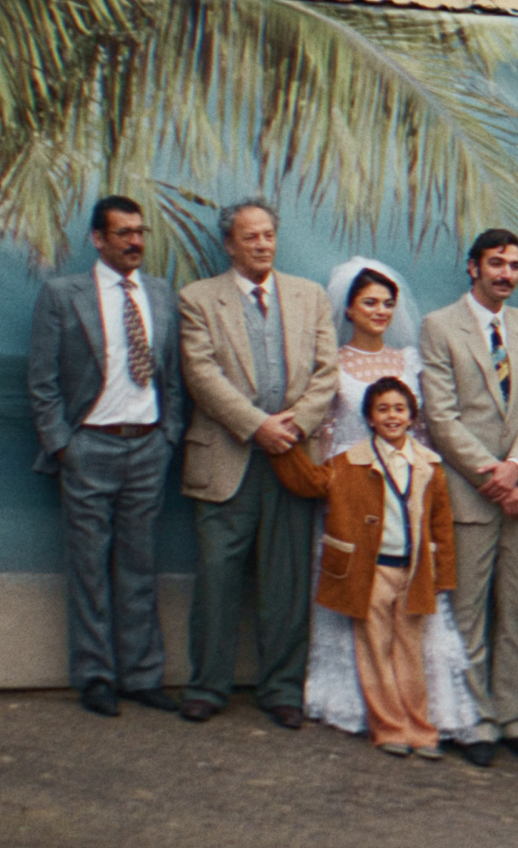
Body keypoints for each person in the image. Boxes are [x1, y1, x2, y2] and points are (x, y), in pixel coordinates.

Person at [176, 197, 339, 728]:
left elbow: (327, 373)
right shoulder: (199, 299)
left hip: (293, 458)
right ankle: (207, 686)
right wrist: (256, 426)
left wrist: (294, 425)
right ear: (229, 244)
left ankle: (282, 689)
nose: (263, 244)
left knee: (286, 582)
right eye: (250, 237)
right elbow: (201, 375)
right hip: (227, 459)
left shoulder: (309, 296)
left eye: (268, 234)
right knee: (217, 578)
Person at [303, 259, 476, 742]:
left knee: (408, 603)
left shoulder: (408, 361)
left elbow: (423, 432)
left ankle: (418, 712)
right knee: (361, 597)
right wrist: (331, 488)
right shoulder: (334, 363)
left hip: (404, 491)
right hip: (352, 489)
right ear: (349, 309)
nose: (380, 311)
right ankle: (361, 704)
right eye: (370, 303)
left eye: (387, 303)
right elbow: (325, 430)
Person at [28, 196, 185, 717]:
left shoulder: (160, 294)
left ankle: (141, 676)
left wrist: (168, 435)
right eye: (124, 233)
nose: (135, 241)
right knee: (89, 568)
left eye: (140, 232)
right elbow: (42, 380)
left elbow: (172, 375)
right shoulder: (63, 295)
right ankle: (95, 676)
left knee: (140, 566)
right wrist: (63, 445)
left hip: (147, 445)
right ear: (98, 239)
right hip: (88, 447)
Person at [271, 378, 457, 759]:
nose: (392, 416)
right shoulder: (349, 463)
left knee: (410, 653)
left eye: (400, 409)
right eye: (382, 409)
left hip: (413, 572)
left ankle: (421, 729)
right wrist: (282, 447)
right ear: (370, 418)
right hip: (370, 573)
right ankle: (389, 728)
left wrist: (443, 573)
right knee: (375, 652)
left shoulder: (430, 466)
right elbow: (309, 482)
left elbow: (441, 524)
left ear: (411, 416)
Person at [420, 229, 518, 767]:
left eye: (514, 265)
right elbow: (441, 417)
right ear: (473, 267)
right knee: (468, 613)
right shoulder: (439, 325)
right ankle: (472, 721)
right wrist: (492, 477)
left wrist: (516, 469)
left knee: (517, 613)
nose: (506, 274)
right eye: (496, 263)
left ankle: (511, 716)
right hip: (471, 496)